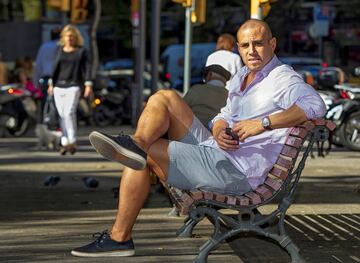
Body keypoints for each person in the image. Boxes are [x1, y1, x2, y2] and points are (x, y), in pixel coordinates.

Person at [71, 19, 326, 257]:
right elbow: (222, 116)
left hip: (237, 172)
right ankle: (137, 143)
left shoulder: (283, 78)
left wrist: (263, 123)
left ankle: (119, 238)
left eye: (258, 43)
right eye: (246, 45)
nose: (252, 51)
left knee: (145, 155)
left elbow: (315, 105)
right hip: (218, 150)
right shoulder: (240, 77)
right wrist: (218, 129)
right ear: (238, 48)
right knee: (164, 97)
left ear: (272, 44)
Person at [48, 24, 92, 155]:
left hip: (74, 85)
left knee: (68, 112)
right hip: (58, 86)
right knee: (61, 115)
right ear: (63, 37)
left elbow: (87, 68)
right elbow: (54, 68)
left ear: (76, 37)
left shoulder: (81, 51)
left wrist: (88, 84)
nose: (70, 39)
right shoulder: (59, 50)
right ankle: (65, 142)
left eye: (72, 36)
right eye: (67, 36)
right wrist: (51, 84)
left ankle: (72, 141)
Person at [183, 62, 230, 129]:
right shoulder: (230, 96)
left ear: (209, 75)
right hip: (217, 134)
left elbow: (181, 109)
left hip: (194, 132)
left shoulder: (197, 89)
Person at [33, 27, 61, 119]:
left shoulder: (44, 47)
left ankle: (48, 123)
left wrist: (36, 84)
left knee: (47, 104)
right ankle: (58, 124)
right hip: (60, 79)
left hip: (47, 79)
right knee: (60, 104)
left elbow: (38, 66)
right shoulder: (62, 46)